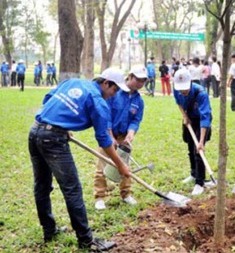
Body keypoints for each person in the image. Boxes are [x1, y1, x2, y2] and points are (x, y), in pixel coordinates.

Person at [29, 68, 130, 250]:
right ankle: (86, 240)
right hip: (53, 140)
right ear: (106, 83)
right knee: (72, 189)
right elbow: (104, 140)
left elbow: (48, 98)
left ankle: (49, 231)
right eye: (114, 90)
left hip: (35, 130)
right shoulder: (99, 102)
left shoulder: (74, 82)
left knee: (42, 186)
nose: (114, 95)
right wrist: (120, 164)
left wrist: (59, 122)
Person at [94, 67, 147, 210]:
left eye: (143, 80)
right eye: (138, 79)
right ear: (130, 77)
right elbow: (106, 115)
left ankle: (126, 194)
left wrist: (131, 133)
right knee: (102, 165)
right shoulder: (114, 92)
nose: (140, 83)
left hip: (124, 137)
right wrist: (110, 136)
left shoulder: (139, 101)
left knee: (125, 165)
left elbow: (136, 120)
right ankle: (99, 196)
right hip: (108, 133)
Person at [173, 69, 213, 195]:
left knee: (198, 151)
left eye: (185, 89)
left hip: (201, 122)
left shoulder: (201, 94)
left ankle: (200, 183)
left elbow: (205, 118)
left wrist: (201, 142)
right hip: (189, 118)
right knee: (190, 149)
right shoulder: (176, 89)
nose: (183, 92)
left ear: (191, 82)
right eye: (181, 89)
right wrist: (185, 116)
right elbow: (179, 102)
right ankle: (193, 174)